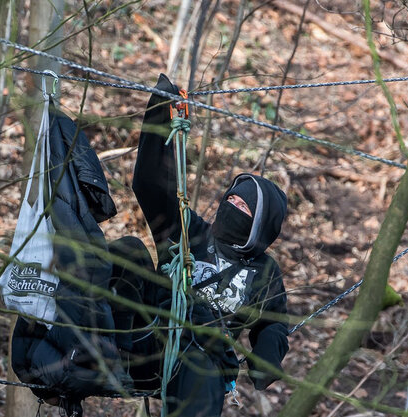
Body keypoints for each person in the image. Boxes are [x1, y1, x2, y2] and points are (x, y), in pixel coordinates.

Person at [122, 74, 291, 416]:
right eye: (231, 200)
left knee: (201, 364)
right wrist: (160, 112)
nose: (232, 207)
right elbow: (151, 184)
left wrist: (266, 360)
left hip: (204, 364)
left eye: (243, 208)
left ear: (260, 226)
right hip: (150, 344)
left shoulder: (264, 271)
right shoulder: (189, 231)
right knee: (126, 251)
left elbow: (273, 321)